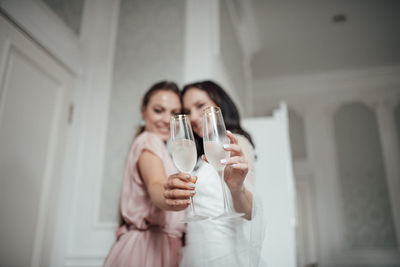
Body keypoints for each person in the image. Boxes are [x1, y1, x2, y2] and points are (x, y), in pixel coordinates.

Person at [164, 80, 265, 267]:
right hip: (193, 254)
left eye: (200, 106)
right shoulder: (198, 155)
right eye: (187, 111)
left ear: (220, 105)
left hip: (222, 255)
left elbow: (250, 213)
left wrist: (236, 188)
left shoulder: (235, 144)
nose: (193, 117)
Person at [103, 81, 196, 267]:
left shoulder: (163, 151)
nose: (166, 119)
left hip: (163, 248)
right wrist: (169, 193)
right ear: (143, 110)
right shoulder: (149, 141)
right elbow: (156, 186)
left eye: (174, 113)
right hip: (146, 251)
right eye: (158, 110)